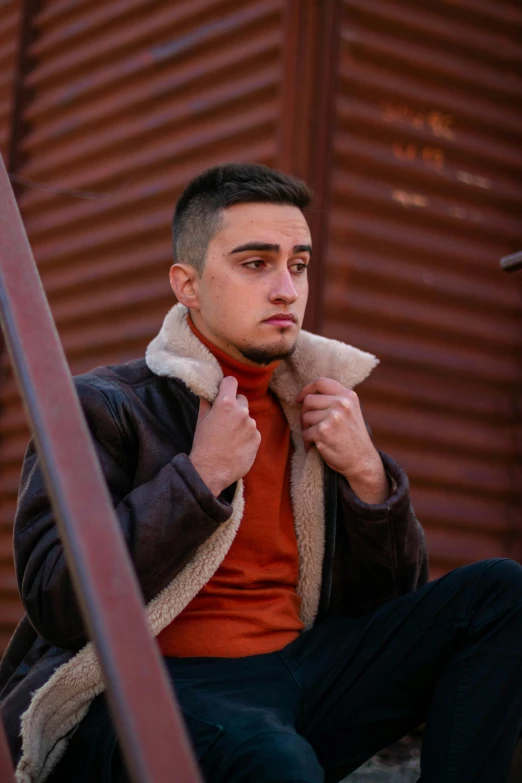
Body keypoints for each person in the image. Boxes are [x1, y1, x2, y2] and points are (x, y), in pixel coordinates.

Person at [1, 163, 521, 783]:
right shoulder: (106, 406)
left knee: (499, 593)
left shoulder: (316, 406)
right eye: (256, 264)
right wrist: (198, 479)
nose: (286, 290)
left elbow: (389, 607)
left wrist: (368, 478)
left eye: (297, 264)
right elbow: (58, 600)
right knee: (276, 761)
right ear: (187, 285)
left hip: (298, 673)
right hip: (158, 689)